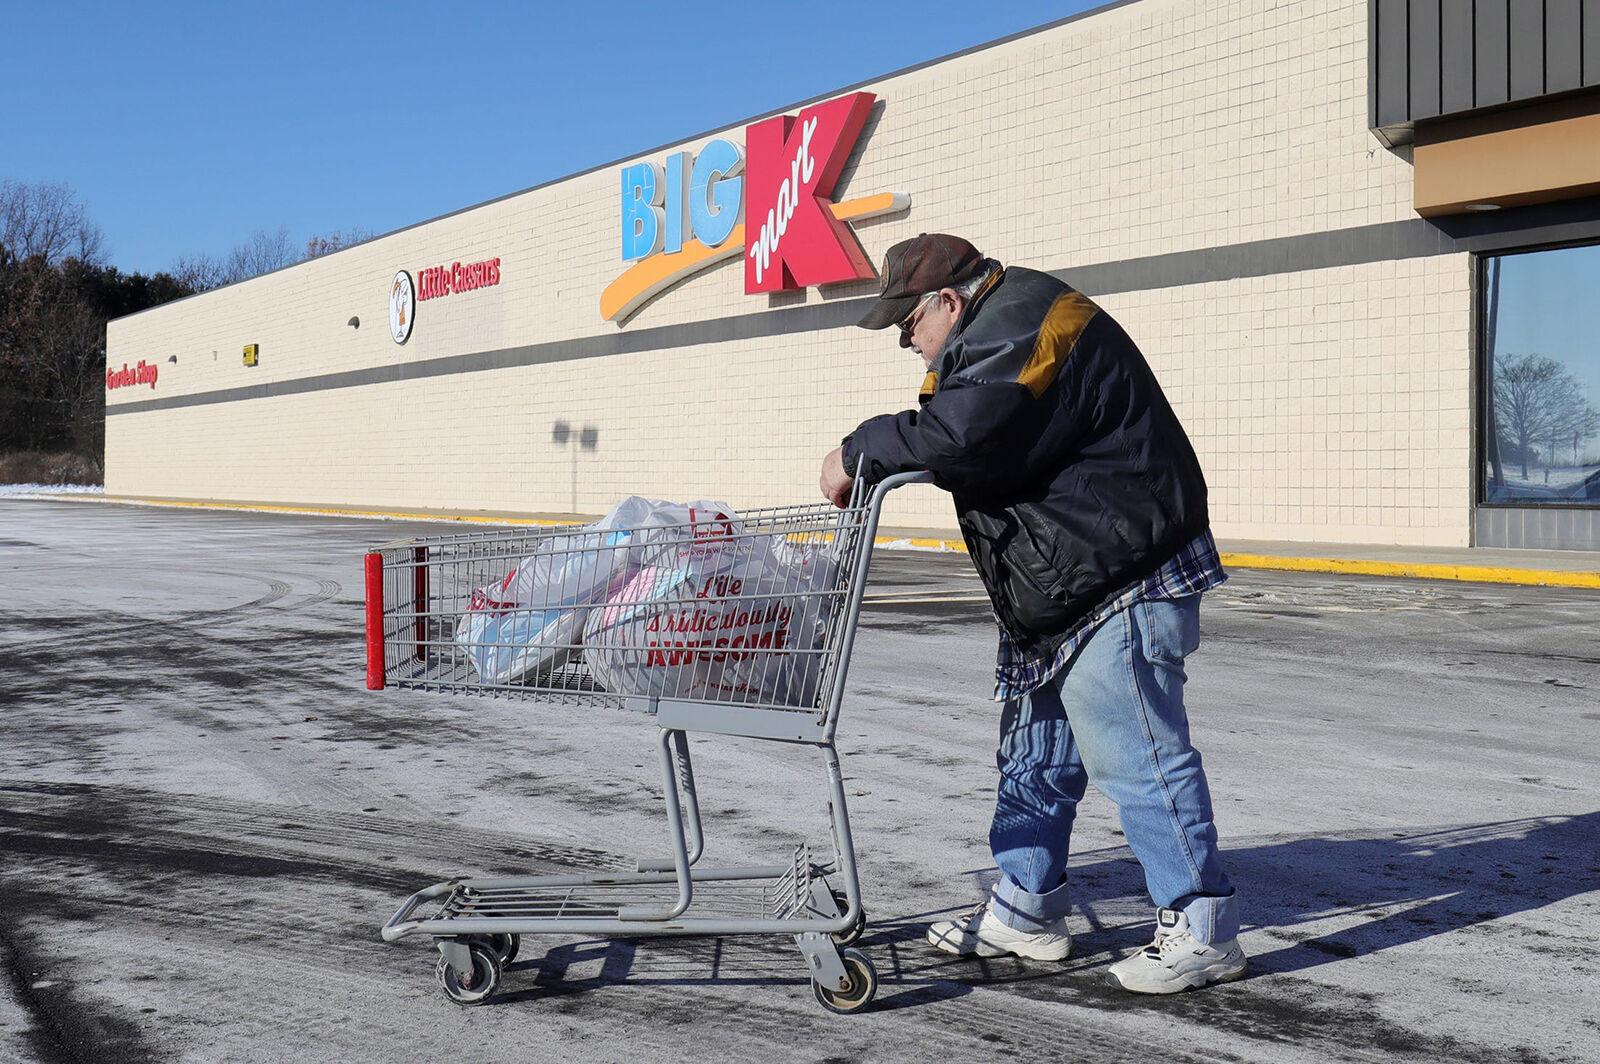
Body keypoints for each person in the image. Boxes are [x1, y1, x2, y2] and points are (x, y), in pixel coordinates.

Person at [819, 233, 1246, 994]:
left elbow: (965, 435)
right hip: (1067, 586)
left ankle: (1202, 925)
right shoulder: (995, 331)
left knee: (1138, 753)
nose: (904, 343)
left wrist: (858, 451)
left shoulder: (1022, 324)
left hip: (1119, 571)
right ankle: (1026, 908)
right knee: (1035, 757)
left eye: (906, 325)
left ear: (948, 302)